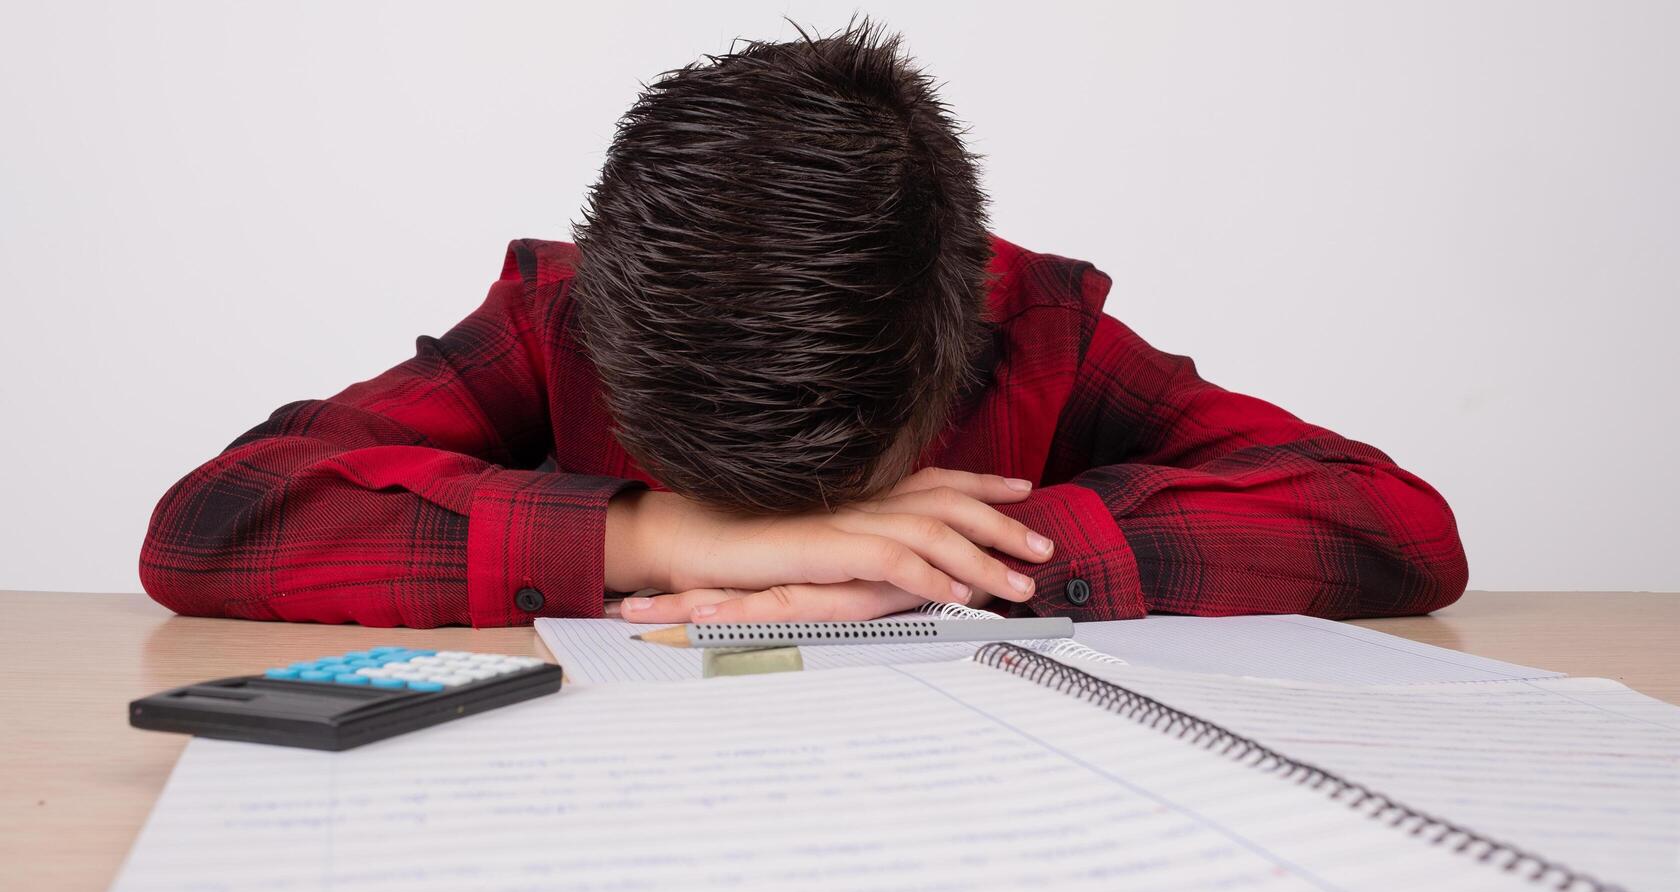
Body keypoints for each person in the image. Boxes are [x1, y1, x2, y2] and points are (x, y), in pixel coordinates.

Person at [138, 19, 1467, 629]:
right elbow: (212, 525)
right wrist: (659, 533)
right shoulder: (554, 314)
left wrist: (965, 558)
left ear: (967, 310)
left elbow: (1395, 523)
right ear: (608, 302)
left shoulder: (1034, 322)